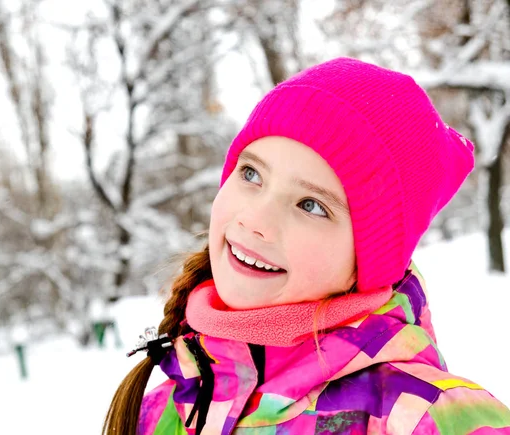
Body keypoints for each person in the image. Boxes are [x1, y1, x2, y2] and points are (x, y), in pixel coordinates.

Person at [103, 57, 510, 434]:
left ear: (367, 262)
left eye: (311, 205)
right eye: (251, 174)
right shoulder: (161, 411)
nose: (255, 220)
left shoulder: (427, 419)